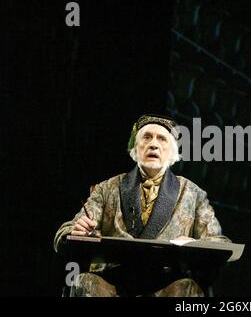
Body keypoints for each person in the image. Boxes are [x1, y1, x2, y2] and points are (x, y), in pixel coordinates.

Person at [54, 114, 230, 297]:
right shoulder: (108, 188)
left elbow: (219, 243)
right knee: (86, 282)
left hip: (167, 283)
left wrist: (195, 245)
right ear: (135, 148)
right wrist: (76, 231)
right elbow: (64, 233)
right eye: (147, 137)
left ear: (173, 152)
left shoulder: (193, 194)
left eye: (161, 139)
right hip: (113, 282)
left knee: (186, 288)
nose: (153, 144)